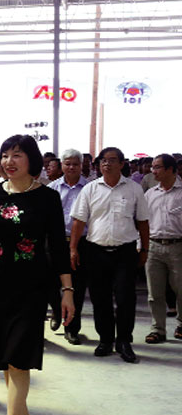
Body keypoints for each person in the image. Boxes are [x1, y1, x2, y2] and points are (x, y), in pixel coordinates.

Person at [0, 135, 74, 415]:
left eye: (17, 155)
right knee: (7, 359)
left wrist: (67, 290)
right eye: (5, 155)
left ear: (31, 159)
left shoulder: (47, 198)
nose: (9, 161)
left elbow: (58, 248)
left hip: (31, 289)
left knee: (19, 360)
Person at [70, 147, 149, 363]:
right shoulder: (90, 189)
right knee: (100, 298)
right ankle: (105, 339)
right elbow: (79, 221)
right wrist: (73, 248)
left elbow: (143, 221)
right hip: (96, 251)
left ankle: (124, 341)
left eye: (112, 160)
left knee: (125, 298)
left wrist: (145, 249)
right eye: (103, 160)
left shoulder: (134, 189)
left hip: (125, 252)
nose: (107, 164)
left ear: (122, 164)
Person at [48, 149, 89, 345]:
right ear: (61, 166)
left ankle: (72, 328)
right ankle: (58, 311)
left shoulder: (89, 188)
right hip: (55, 242)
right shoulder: (52, 188)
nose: (71, 167)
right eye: (68, 163)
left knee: (77, 287)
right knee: (51, 283)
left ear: (81, 166)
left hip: (81, 242)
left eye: (75, 164)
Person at [143, 154, 182, 343]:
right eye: (153, 167)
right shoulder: (150, 194)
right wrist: (141, 246)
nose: (153, 171)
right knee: (155, 292)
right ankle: (157, 329)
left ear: (170, 169)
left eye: (157, 167)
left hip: (178, 247)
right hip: (153, 247)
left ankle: (181, 324)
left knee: (180, 289)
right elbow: (143, 222)